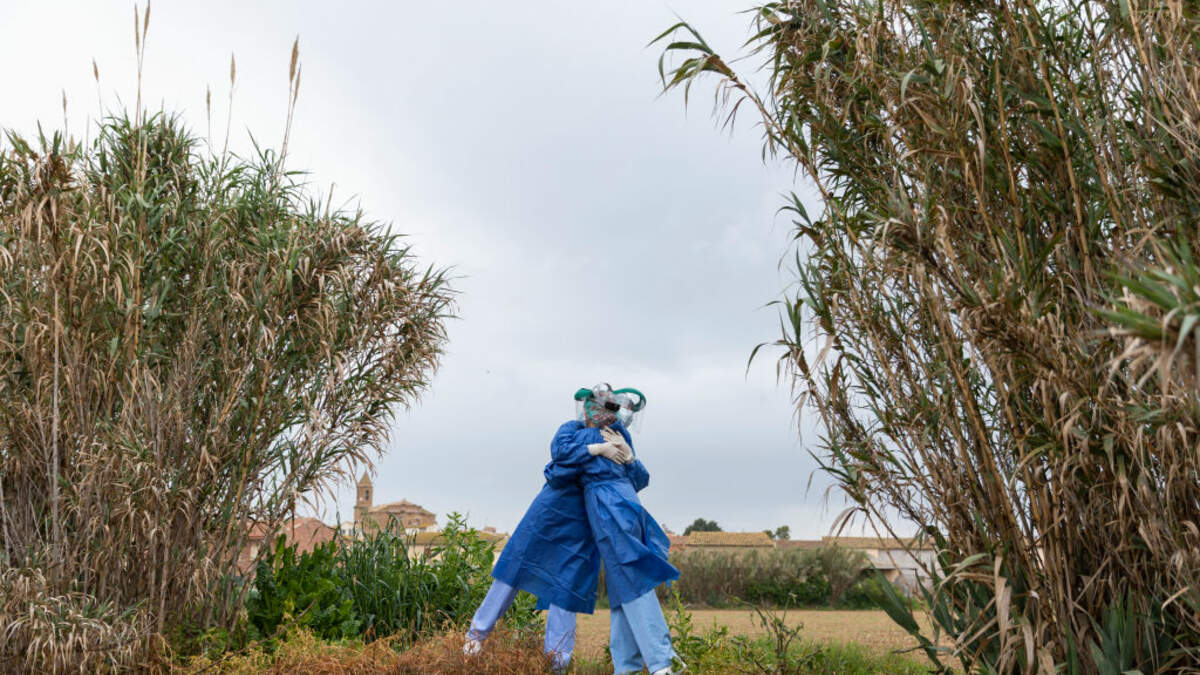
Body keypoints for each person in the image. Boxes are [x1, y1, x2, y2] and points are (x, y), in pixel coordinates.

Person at [463, 387, 635, 670]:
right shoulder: (573, 430)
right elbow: (558, 463)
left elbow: (620, 477)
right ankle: (476, 639)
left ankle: (555, 663)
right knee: (514, 571)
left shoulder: (616, 436)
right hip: (548, 515)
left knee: (563, 588)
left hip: (581, 522)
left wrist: (628, 458)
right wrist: (595, 451)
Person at [546, 384, 684, 675]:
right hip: (627, 507)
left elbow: (556, 469)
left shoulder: (594, 436)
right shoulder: (612, 435)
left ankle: (661, 662)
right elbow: (641, 479)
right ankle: (627, 666)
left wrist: (604, 452)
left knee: (631, 576)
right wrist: (623, 456)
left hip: (610, 509)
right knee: (622, 583)